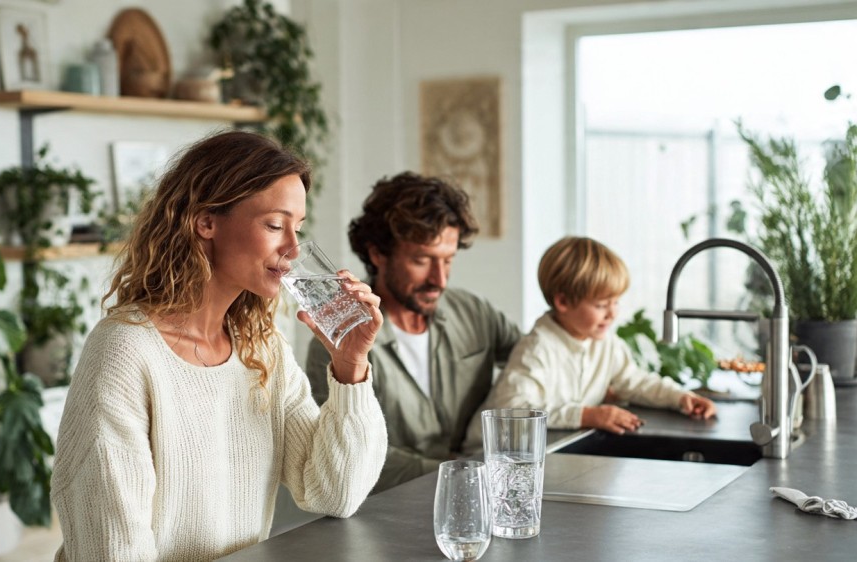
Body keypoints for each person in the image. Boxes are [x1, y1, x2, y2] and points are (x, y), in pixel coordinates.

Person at [50, 130, 388, 561]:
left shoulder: (261, 349)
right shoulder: (125, 352)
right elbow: (114, 550)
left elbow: (333, 493)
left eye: (297, 228)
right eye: (274, 225)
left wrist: (350, 366)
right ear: (206, 221)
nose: (292, 249)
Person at [306, 172, 522, 492]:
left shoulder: (475, 313)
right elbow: (341, 451)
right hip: (386, 518)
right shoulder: (337, 339)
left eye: (448, 261)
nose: (440, 280)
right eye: (422, 260)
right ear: (378, 253)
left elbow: (534, 362)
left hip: (478, 503)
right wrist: (459, 472)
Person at [464, 236, 716, 449]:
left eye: (615, 302)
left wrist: (680, 398)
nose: (612, 313)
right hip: (491, 458)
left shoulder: (604, 343)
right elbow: (512, 409)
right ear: (562, 302)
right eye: (601, 305)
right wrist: (586, 415)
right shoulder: (537, 348)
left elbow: (635, 381)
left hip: (547, 450)